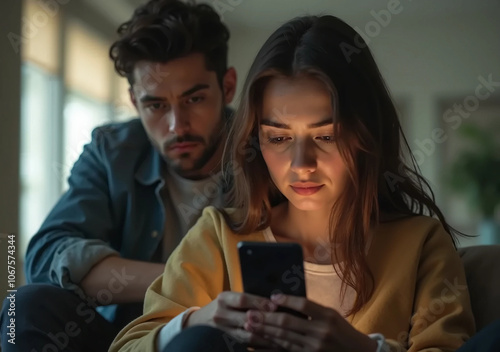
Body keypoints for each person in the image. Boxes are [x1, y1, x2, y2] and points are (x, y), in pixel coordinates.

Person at [109, 14, 482, 352]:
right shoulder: (218, 237)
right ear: (256, 139)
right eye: (279, 138)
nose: (302, 166)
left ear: (365, 135)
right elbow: (128, 346)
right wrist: (196, 321)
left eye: (326, 136)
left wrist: (361, 349)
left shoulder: (420, 244)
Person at [0, 0, 236, 351]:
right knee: (26, 306)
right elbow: (47, 254)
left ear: (227, 87)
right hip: (122, 338)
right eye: (156, 105)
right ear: (133, 100)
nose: (177, 125)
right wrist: (183, 279)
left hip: (219, 337)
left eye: (194, 99)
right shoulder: (113, 152)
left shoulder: (264, 151)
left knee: (202, 340)